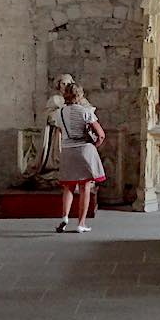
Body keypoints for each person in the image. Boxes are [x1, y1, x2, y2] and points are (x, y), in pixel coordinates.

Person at [47, 81, 106, 233]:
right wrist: (95, 146)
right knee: (85, 187)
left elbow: (61, 132)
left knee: (68, 186)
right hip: (84, 150)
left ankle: (64, 217)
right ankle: (81, 223)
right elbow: (101, 134)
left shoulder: (59, 113)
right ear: (80, 95)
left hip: (67, 150)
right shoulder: (85, 111)